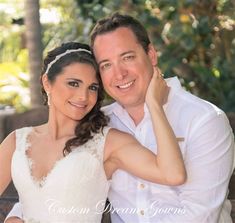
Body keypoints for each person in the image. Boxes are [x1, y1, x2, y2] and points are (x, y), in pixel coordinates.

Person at [4, 12, 235, 223]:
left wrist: (154, 106)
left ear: (151, 54)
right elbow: (55, 184)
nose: (119, 73)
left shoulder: (204, 120)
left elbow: (199, 216)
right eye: (106, 64)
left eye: (127, 57)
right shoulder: (97, 124)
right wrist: (18, 215)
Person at [0, 42, 186, 222]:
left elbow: (173, 175)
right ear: (47, 83)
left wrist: (154, 105)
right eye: (74, 83)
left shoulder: (108, 142)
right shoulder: (17, 141)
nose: (83, 96)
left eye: (93, 88)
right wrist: (15, 216)